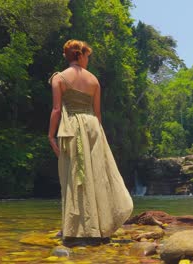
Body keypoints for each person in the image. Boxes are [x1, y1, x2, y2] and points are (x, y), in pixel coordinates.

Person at [48, 40, 134, 246]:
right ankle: (99, 226)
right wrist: (99, 136)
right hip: (92, 126)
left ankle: (75, 229)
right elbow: (97, 113)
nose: (88, 60)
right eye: (87, 56)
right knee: (95, 175)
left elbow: (57, 110)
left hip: (72, 127)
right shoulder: (94, 80)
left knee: (74, 174)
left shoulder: (58, 78)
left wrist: (51, 136)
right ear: (79, 55)